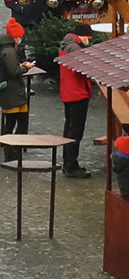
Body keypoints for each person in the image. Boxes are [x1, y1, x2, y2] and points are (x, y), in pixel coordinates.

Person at [0, 18, 34, 160]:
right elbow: (14, 71)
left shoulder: (2, 49)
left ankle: (10, 153)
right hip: (13, 93)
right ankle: (12, 152)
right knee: (18, 123)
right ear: (15, 37)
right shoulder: (10, 51)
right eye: (20, 37)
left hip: (9, 93)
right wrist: (25, 67)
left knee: (11, 122)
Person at [58, 22, 94, 179]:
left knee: (69, 128)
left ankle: (68, 163)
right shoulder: (76, 49)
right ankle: (71, 165)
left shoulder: (66, 45)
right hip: (77, 93)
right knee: (75, 131)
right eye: (88, 38)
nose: (89, 41)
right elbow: (82, 71)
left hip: (68, 93)